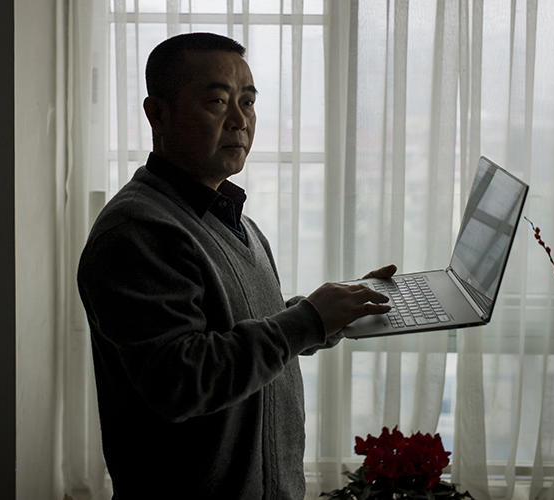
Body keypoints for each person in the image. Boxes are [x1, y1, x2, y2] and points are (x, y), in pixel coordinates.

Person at [77, 32, 396, 499]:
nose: (239, 120)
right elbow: (183, 380)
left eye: (248, 102)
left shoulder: (228, 214)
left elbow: (241, 334)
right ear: (157, 113)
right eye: (217, 101)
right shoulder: (137, 232)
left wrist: (332, 315)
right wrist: (306, 320)